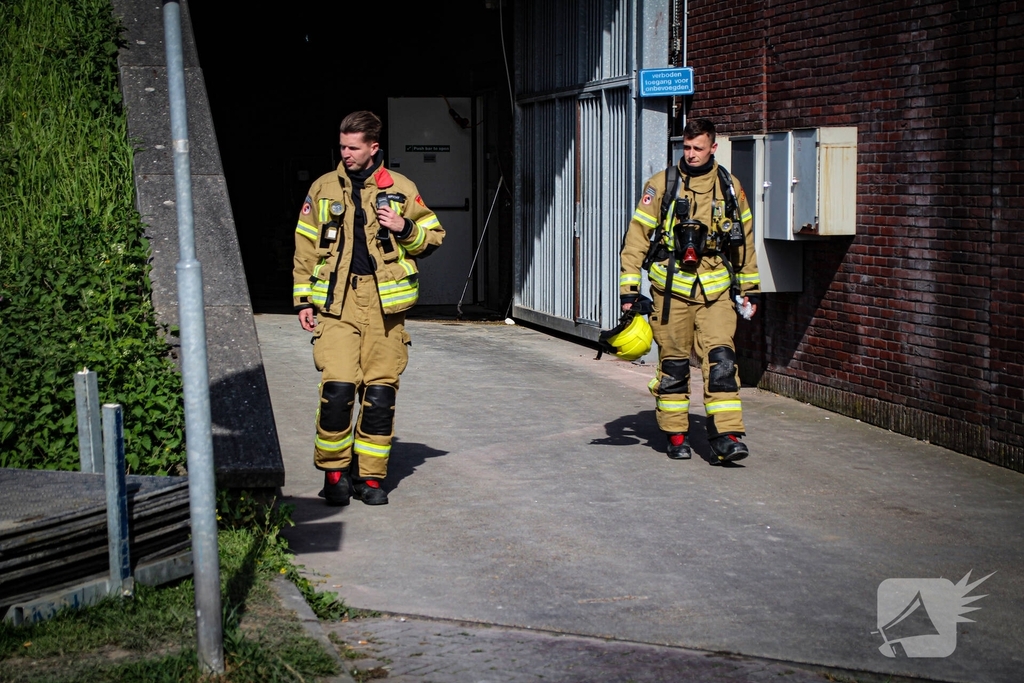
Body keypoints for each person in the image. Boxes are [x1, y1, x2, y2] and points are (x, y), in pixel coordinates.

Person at [292, 110, 444, 505]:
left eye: (352, 147)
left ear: (374, 148)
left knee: (379, 395)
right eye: (342, 146)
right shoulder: (324, 189)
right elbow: (305, 246)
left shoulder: (401, 187)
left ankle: (371, 478)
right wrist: (303, 298)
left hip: (384, 308)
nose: (345, 153)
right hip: (338, 304)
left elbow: (433, 238)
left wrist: (404, 227)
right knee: (338, 389)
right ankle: (335, 473)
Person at [618, 118, 759, 463]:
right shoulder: (663, 184)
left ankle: (726, 436)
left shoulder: (729, 186)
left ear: (713, 148)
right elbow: (637, 236)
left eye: (698, 148)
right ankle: (676, 434)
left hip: (716, 294)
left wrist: (749, 287)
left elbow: (745, 239)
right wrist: (629, 288)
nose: (691, 154)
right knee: (675, 365)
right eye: (687, 147)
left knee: (722, 361)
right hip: (671, 293)